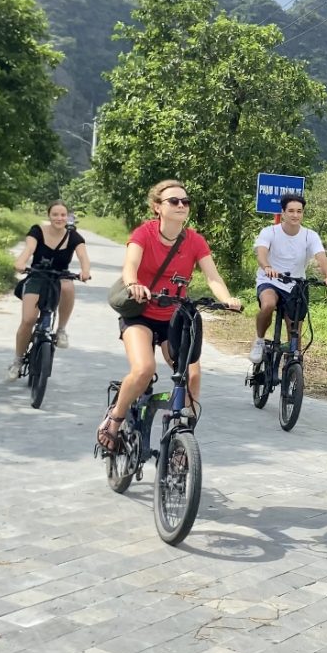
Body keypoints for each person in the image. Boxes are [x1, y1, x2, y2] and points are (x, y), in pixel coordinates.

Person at [96, 179, 242, 452]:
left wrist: (227, 299)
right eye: (173, 201)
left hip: (173, 316)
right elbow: (130, 265)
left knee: (191, 375)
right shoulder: (144, 233)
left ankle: (182, 436)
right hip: (141, 312)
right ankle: (115, 417)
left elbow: (213, 277)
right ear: (157, 207)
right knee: (144, 369)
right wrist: (133, 284)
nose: (181, 205)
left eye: (185, 201)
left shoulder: (195, 240)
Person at [6, 200, 91, 381]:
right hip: (37, 275)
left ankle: (61, 330)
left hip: (60, 277)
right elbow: (29, 249)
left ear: (67, 217)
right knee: (28, 320)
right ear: (49, 216)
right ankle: (17, 361)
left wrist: (85, 271)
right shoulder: (37, 231)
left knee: (67, 286)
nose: (59, 218)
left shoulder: (73, 236)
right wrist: (20, 263)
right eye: (55, 214)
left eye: (63, 215)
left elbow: (83, 256)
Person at [249, 192, 327, 364]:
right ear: (283, 212)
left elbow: (321, 257)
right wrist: (267, 267)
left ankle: (293, 369)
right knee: (268, 304)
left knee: (294, 334)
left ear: (303, 213)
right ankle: (259, 340)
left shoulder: (310, 235)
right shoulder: (270, 232)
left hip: (296, 284)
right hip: (270, 280)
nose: (295, 215)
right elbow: (261, 253)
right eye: (291, 211)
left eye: (299, 211)